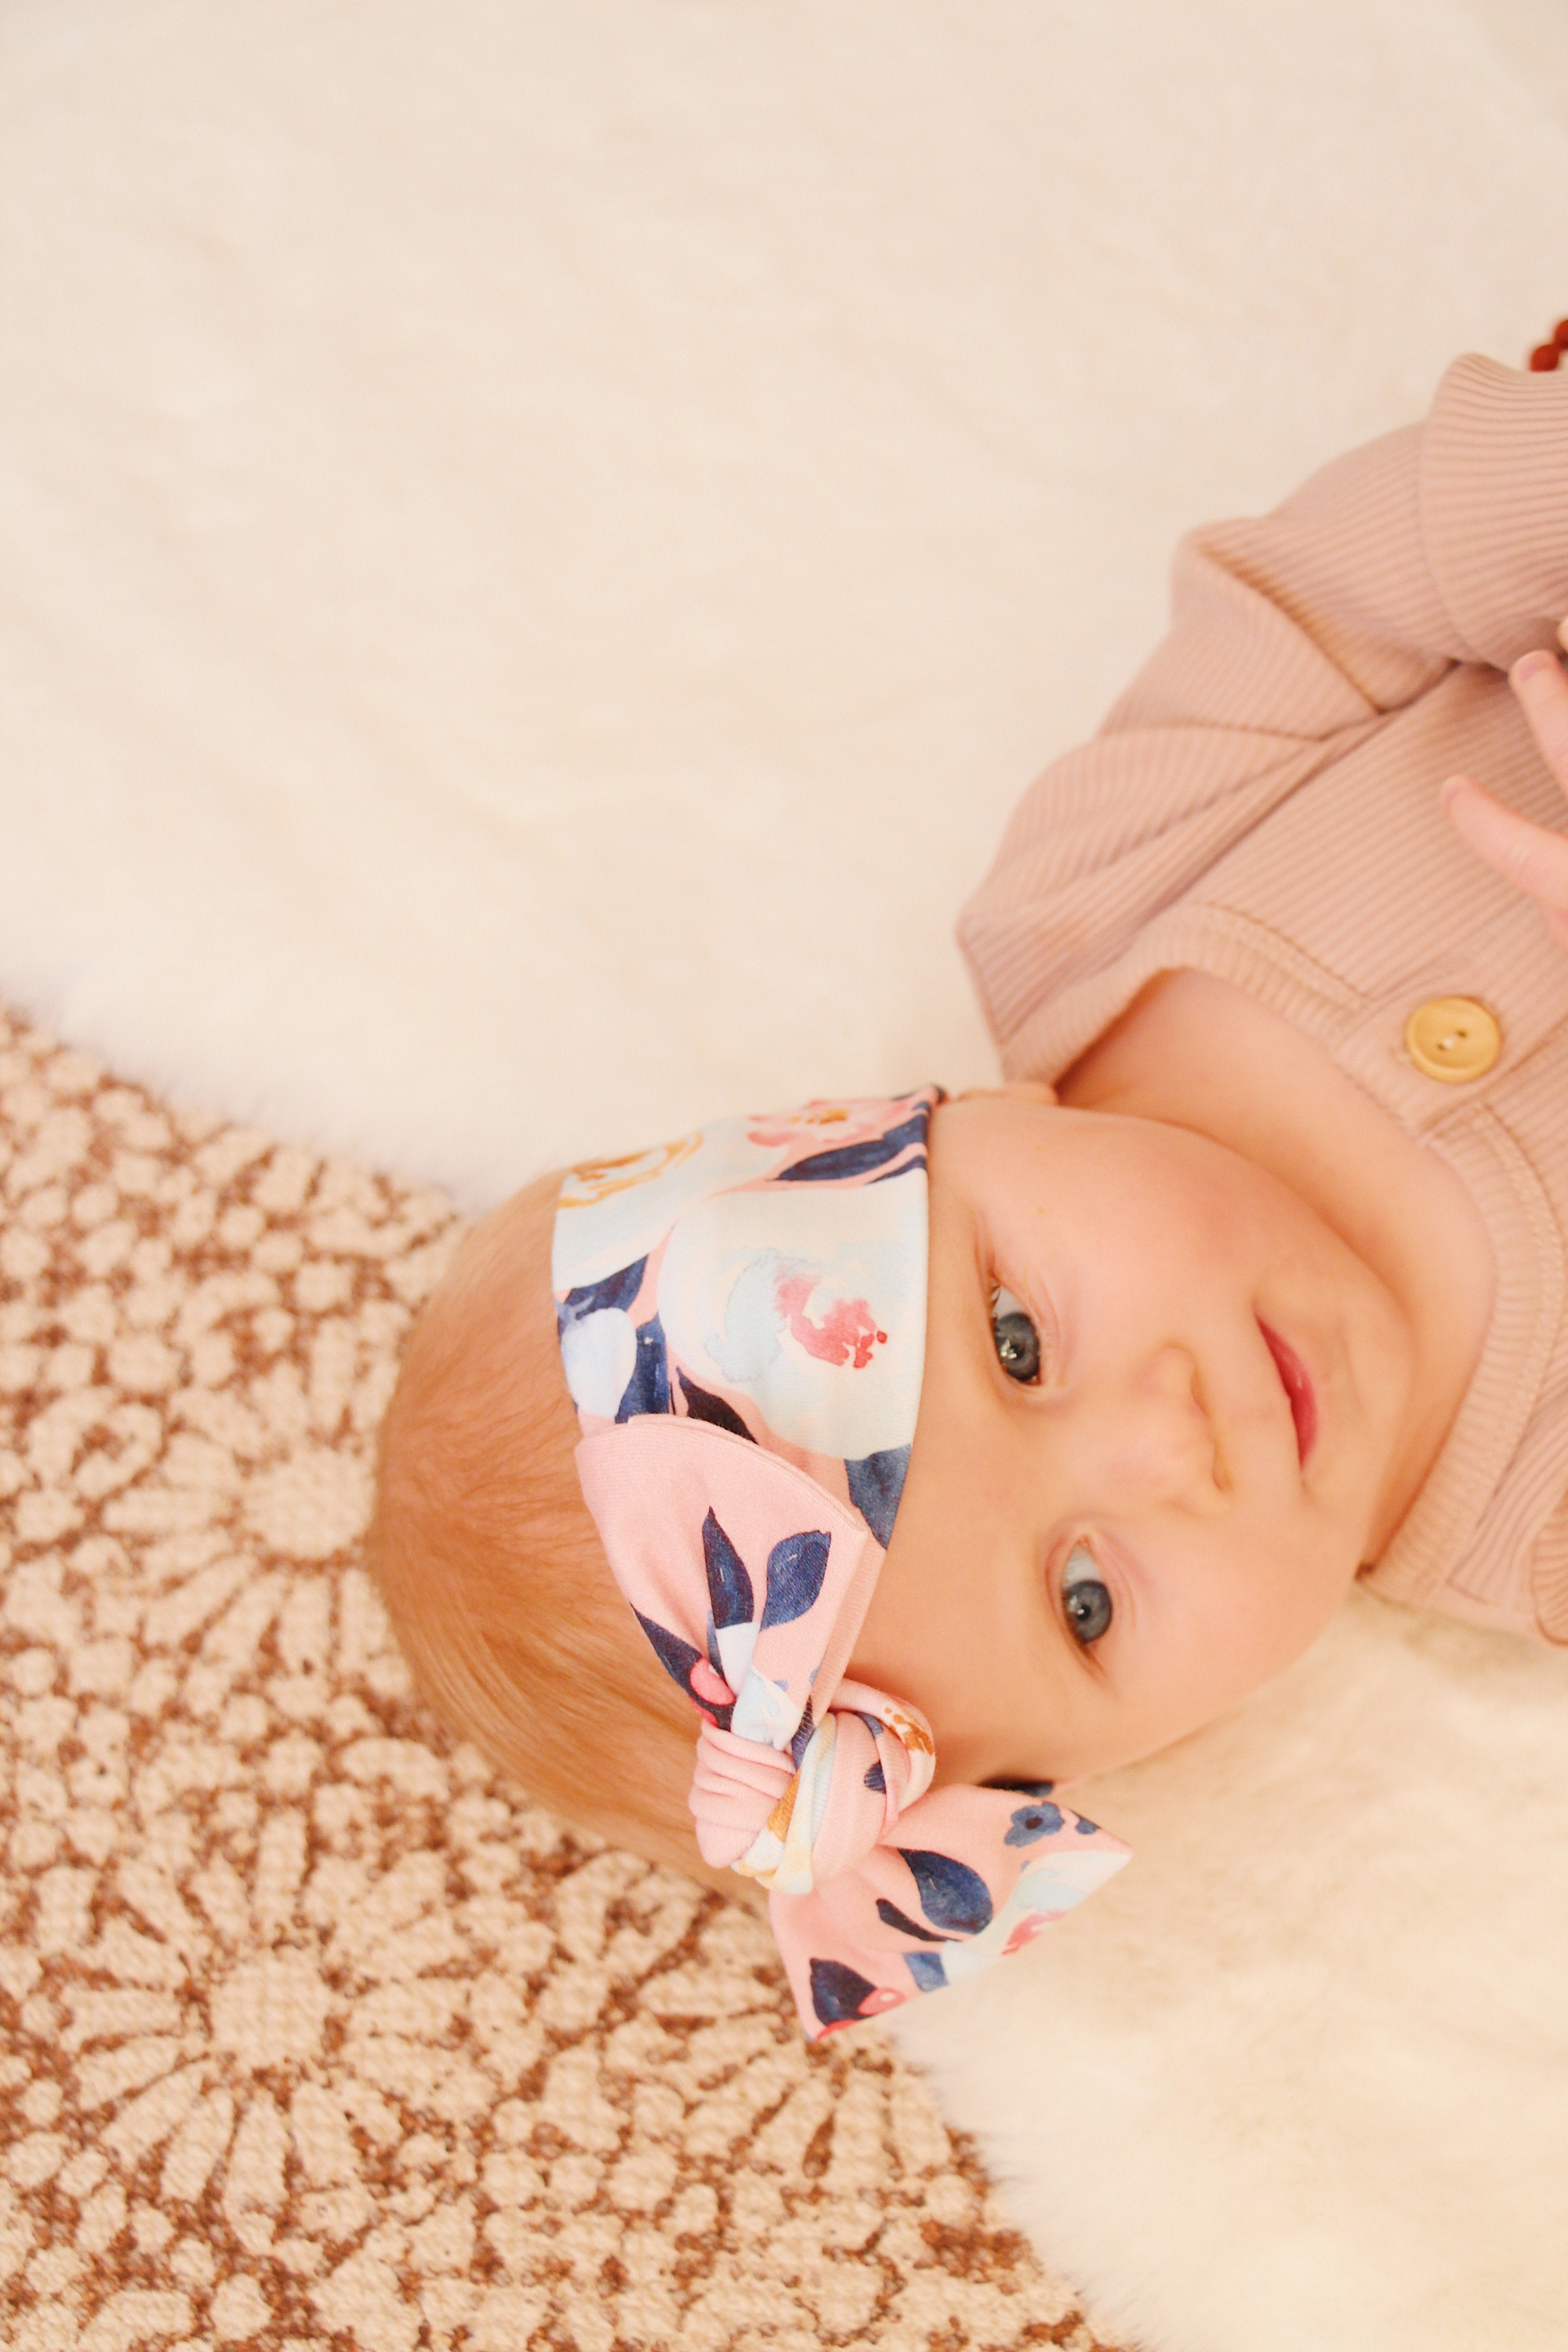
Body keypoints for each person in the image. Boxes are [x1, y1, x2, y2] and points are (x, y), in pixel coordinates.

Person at [370, 351, 1568, 2034]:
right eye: (1087, 1601)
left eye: (1017, 1342)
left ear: (939, 1126)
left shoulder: (1095, 898)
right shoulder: (1537, 1528)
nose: (1173, 1446)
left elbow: (1336, 587)